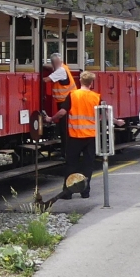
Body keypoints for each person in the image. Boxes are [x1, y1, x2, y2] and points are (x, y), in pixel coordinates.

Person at [49, 70, 101, 199]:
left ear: (80, 81)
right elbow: (102, 114)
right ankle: (85, 191)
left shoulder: (72, 95)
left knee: (71, 164)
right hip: (90, 136)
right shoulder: (97, 97)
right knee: (88, 165)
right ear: (91, 82)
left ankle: (68, 192)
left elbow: (62, 112)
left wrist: (51, 118)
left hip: (75, 136)